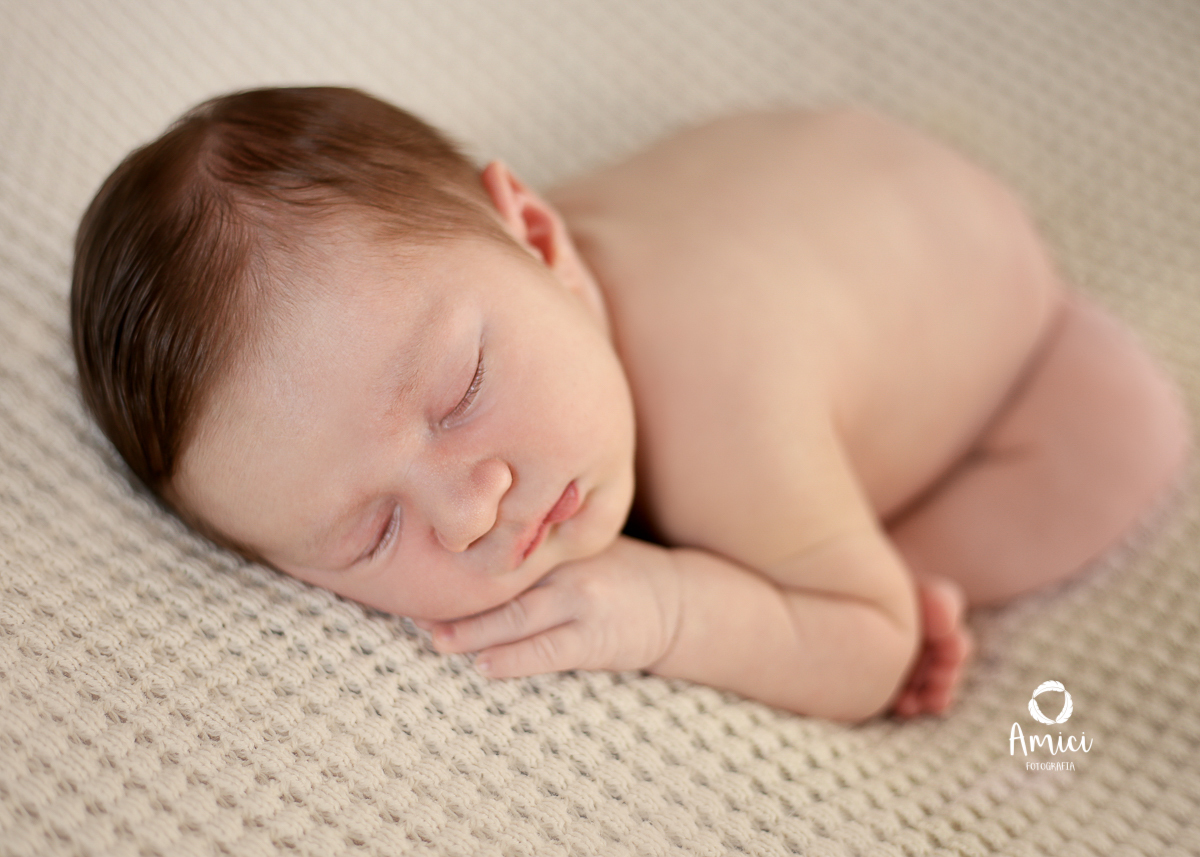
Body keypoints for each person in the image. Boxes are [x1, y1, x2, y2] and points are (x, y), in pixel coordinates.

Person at [71, 87, 1189, 723]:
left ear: (540, 236)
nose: (470, 510)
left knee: (1123, 436)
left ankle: (850, 540)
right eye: (373, 529)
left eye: (460, 393)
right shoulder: (494, 307)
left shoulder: (722, 399)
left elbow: (872, 651)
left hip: (996, 297)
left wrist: (671, 607)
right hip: (804, 178)